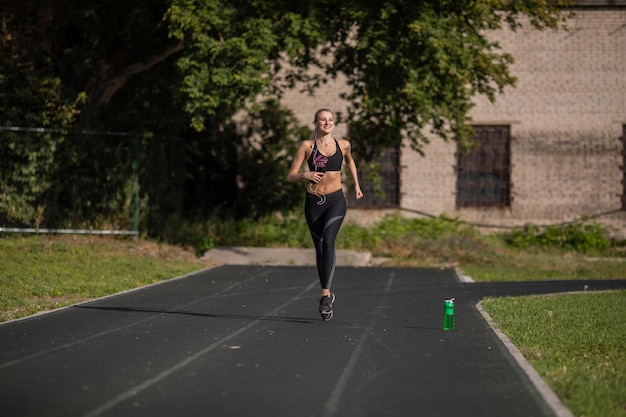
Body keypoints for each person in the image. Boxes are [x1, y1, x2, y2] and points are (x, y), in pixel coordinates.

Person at [287, 108, 363, 321]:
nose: (327, 123)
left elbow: (349, 161)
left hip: (335, 201)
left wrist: (357, 184)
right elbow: (290, 176)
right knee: (319, 247)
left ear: (334, 123)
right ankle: (327, 293)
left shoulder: (343, 144)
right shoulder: (307, 146)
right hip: (313, 203)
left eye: (330, 120)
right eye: (323, 120)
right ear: (316, 122)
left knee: (329, 242)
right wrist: (305, 174)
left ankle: (325, 296)